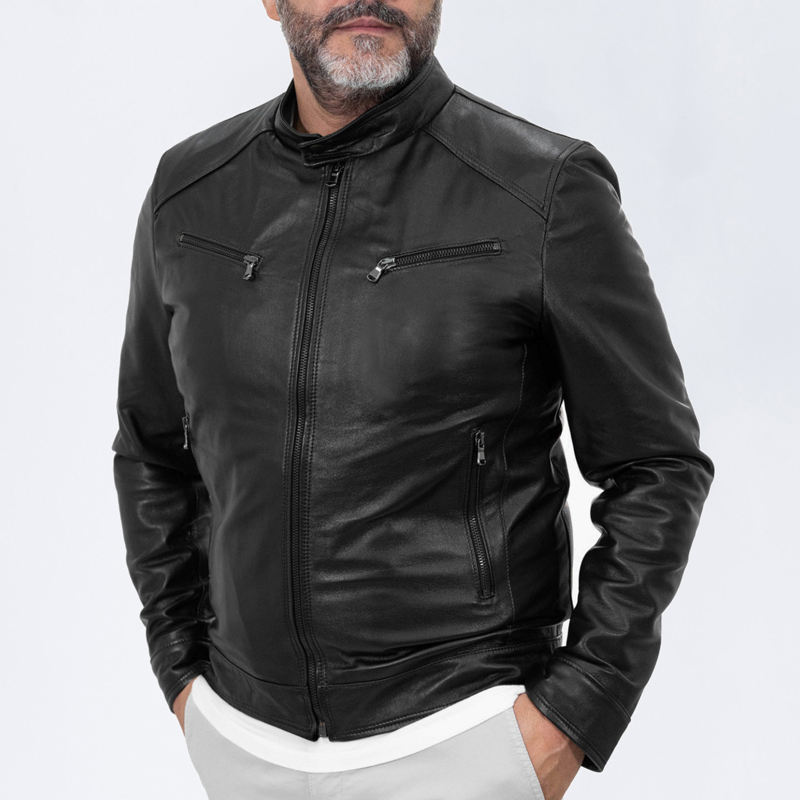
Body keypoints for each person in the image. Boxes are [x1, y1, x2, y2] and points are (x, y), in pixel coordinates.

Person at [111, 2, 715, 798]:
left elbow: (657, 465)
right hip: (243, 738)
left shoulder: (543, 190)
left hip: (462, 734)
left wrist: (576, 711)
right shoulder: (190, 192)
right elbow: (151, 448)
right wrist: (181, 672)